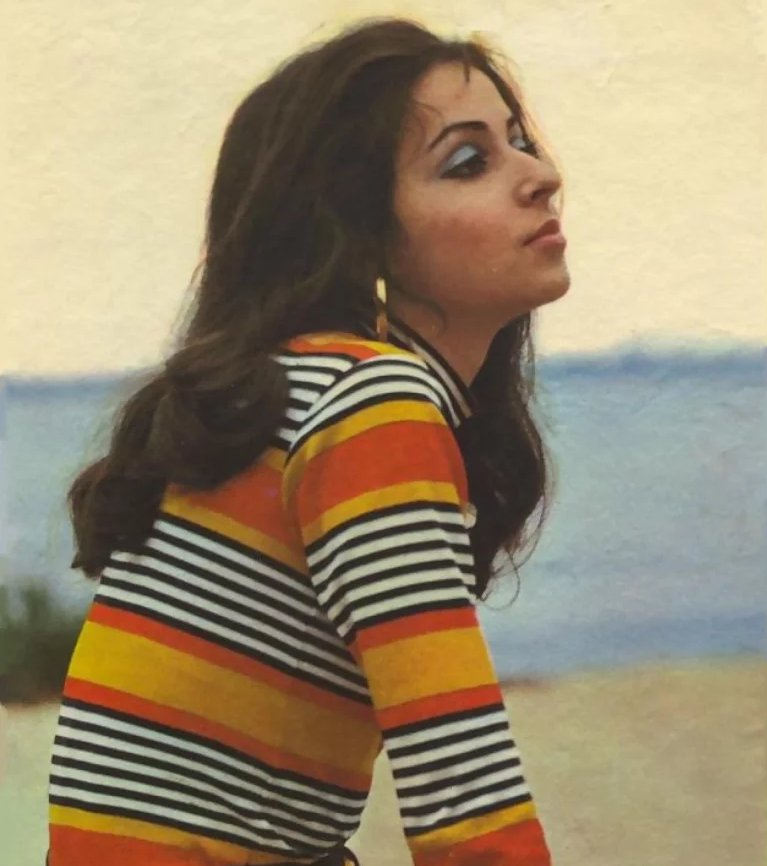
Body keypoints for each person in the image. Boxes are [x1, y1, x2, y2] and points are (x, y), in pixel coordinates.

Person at [46, 16, 569, 866]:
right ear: (358, 236)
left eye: (521, 142)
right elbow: (464, 801)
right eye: (469, 162)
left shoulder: (289, 394)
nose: (543, 177)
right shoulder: (371, 405)